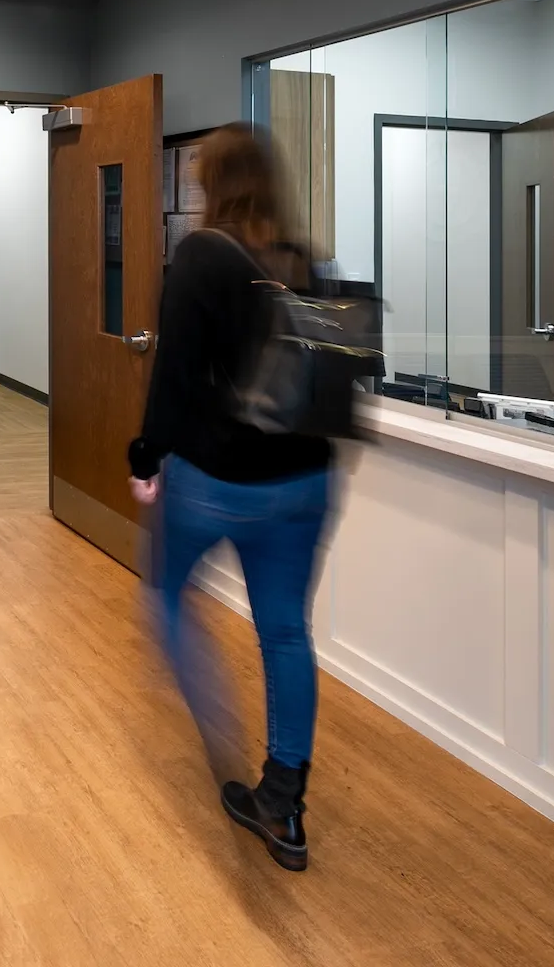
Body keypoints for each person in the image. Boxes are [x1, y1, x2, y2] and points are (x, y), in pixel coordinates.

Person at [128, 126, 335, 872]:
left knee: (167, 598)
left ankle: (219, 737)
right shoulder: (306, 260)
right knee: (285, 633)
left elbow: (174, 377)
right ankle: (283, 799)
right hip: (307, 479)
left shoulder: (202, 254)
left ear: (209, 183)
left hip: (219, 479)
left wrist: (145, 455)